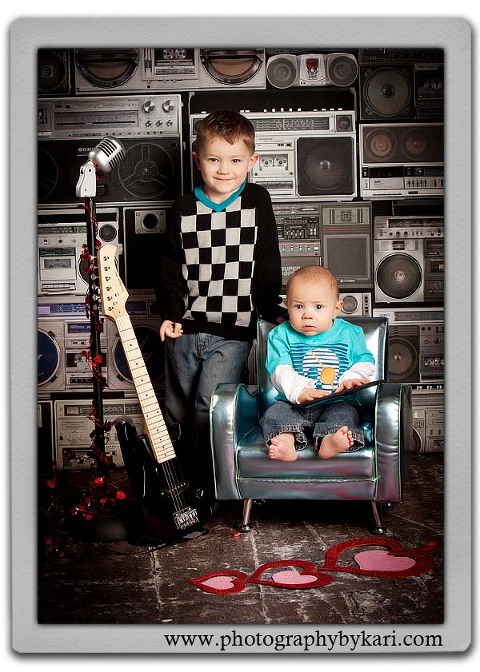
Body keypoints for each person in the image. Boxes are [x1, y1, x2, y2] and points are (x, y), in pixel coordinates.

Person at [159, 109, 285, 500]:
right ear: (197, 159)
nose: (224, 170)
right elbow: (169, 266)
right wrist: (169, 313)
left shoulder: (257, 201)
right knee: (176, 407)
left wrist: (270, 308)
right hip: (185, 327)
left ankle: (205, 483)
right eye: (214, 159)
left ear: (252, 161)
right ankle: (174, 480)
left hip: (233, 330)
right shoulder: (183, 208)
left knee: (209, 405)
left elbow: (267, 259)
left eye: (235, 160)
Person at [260, 265, 375, 462]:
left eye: (318, 307)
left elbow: (365, 361)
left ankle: (329, 440)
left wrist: (353, 378)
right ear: (287, 305)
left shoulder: (350, 333)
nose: (307, 315)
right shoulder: (280, 335)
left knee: (345, 415)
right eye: (298, 306)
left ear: (336, 309)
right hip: (293, 404)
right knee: (275, 413)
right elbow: (280, 369)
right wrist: (300, 391)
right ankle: (286, 441)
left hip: (335, 402)